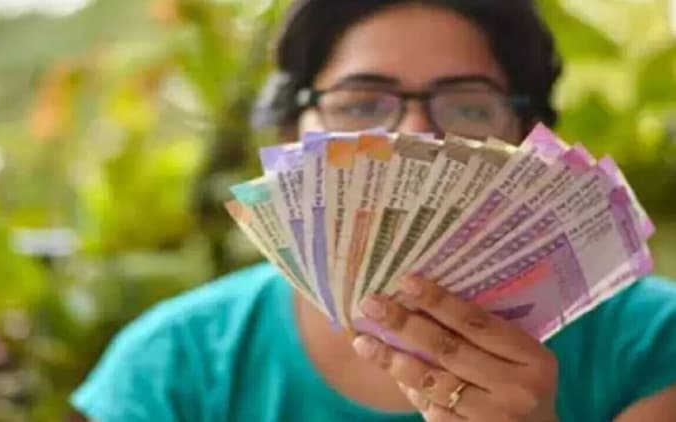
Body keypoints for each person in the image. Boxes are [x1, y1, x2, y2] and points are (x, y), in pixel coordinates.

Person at [70, 1, 676, 421]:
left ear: (529, 140)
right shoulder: (170, 366)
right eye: (360, 104)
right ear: (292, 132)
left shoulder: (653, 344)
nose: (413, 133)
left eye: (468, 106)